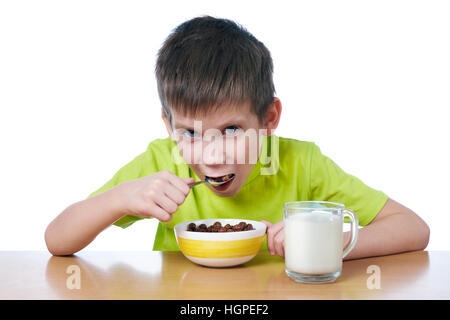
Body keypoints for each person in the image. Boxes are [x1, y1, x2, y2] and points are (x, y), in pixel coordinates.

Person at [45, 15, 429, 258]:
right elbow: (57, 240)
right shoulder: (163, 163)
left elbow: (413, 228)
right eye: (191, 133)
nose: (211, 155)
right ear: (168, 126)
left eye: (231, 129)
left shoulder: (302, 164)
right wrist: (120, 198)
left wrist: (334, 243)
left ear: (269, 118)